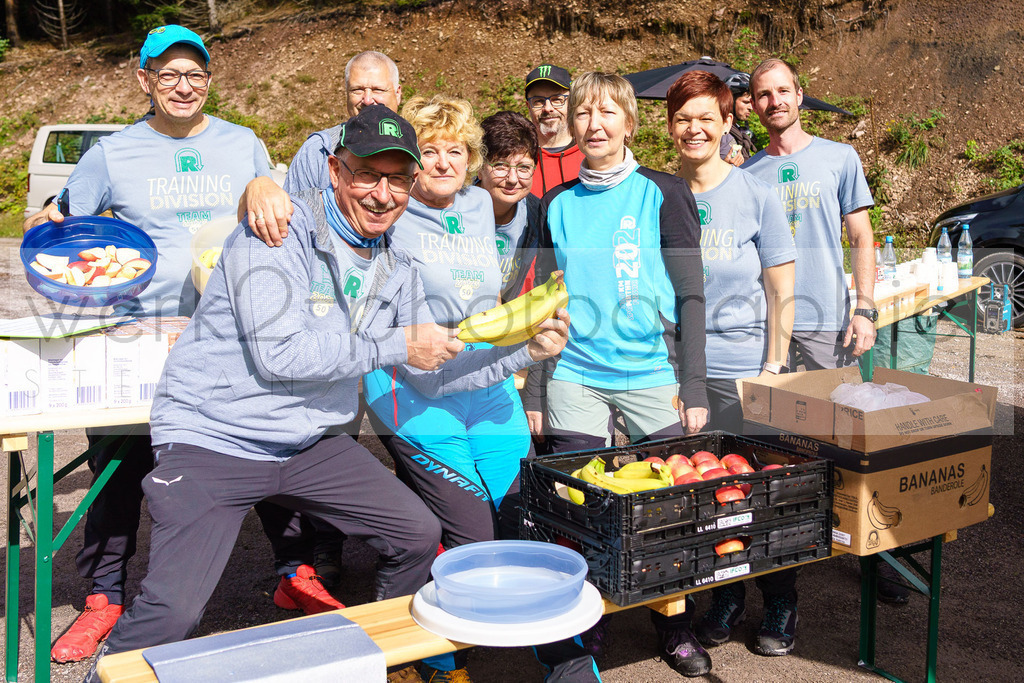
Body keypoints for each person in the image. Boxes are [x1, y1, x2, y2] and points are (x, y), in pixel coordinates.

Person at [83, 104, 569, 683]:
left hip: (309, 443)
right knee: (174, 608)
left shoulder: (399, 266)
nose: (382, 193)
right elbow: (281, 355)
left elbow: (431, 372)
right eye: (367, 174)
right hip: (214, 437)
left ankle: (379, 663)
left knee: (414, 533)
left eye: (396, 179)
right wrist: (394, 345)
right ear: (337, 171)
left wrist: (524, 353)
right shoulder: (279, 231)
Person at [22, 25, 343, 664]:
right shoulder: (111, 155)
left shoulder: (244, 143)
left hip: (234, 333)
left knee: (265, 445)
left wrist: (266, 186)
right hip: (142, 333)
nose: (183, 85)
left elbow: (280, 209)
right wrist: (46, 221)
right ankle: (104, 597)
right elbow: (58, 227)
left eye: (194, 73)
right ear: (144, 80)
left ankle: (293, 572)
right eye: (168, 73)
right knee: (119, 468)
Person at [359, 95, 583, 683]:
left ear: (471, 158)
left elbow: (494, 292)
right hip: (417, 398)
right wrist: (524, 355)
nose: (441, 162)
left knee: (525, 518)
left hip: (486, 390)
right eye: (427, 151)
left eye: (454, 150)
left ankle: (565, 660)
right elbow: (426, 365)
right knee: (471, 536)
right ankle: (433, 661)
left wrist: (523, 331)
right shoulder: (389, 214)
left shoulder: (483, 204)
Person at [705, 57, 875, 659]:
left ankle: (810, 586)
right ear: (749, 104)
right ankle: (744, 592)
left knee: (812, 470)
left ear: (800, 95)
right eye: (762, 94)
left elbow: (861, 237)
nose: (774, 101)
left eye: (783, 91)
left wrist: (866, 308)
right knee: (750, 472)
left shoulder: (838, 158)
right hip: (762, 340)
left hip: (824, 330)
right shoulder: (743, 174)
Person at [660, 70, 796, 677]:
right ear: (669, 127)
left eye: (706, 118)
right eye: (683, 118)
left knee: (766, 490)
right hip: (678, 368)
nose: (695, 128)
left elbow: (781, 288)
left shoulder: (756, 193)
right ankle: (724, 593)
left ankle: (781, 603)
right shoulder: (655, 194)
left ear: (725, 124)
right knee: (697, 492)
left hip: (744, 366)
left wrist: (774, 362)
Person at [526, 71, 709, 451]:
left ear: (629, 124)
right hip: (574, 373)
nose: (595, 125)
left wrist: (694, 385)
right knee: (578, 494)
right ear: (572, 124)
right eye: (583, 113)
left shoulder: (666, 192)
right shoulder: (554, 203)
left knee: (665, 497)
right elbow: (546, 303)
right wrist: (536, 390)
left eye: (607, 112)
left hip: (653, 371)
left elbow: (691, 295)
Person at [242, 50, 403, 247]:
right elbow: (292, 224)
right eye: (357, 90)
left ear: (398, 93)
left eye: (378, 90)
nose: (367, 99)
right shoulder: (319, 149)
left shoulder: (421, 149)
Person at [477, 110, 542, 299]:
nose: (512, 179)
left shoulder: (537, 214)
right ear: (479, 168)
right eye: (500, 166)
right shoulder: (455, 211)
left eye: (523, 168)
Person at [525, 64, 585, 198]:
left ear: (571, 103)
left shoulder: (590, 154)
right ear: (528, 106)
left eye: (557, 99)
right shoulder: (519, 158)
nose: (548, 108)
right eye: (538, 101)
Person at [719, 71, 758, 165]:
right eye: (745, 102)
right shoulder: (718, 132)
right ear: (730, 100)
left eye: (752, 103)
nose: (751, 108)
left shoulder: (737, 131)